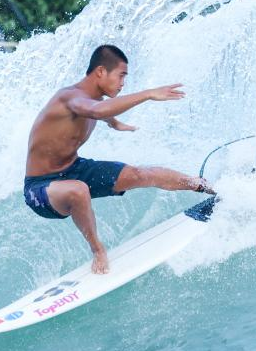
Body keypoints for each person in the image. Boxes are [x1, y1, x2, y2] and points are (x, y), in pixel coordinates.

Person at [23, 44, 214, 274]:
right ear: (101, 71)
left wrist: (113, 122)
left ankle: (203, 186)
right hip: (41, 188)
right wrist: (148, 94)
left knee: (140, 174)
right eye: (121, 75)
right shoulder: (69, 97)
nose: (123, 83)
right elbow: (95, 111)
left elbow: (98, 111)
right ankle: (98, 251)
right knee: (78, 190)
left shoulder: (91, 101)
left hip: (74, 168)